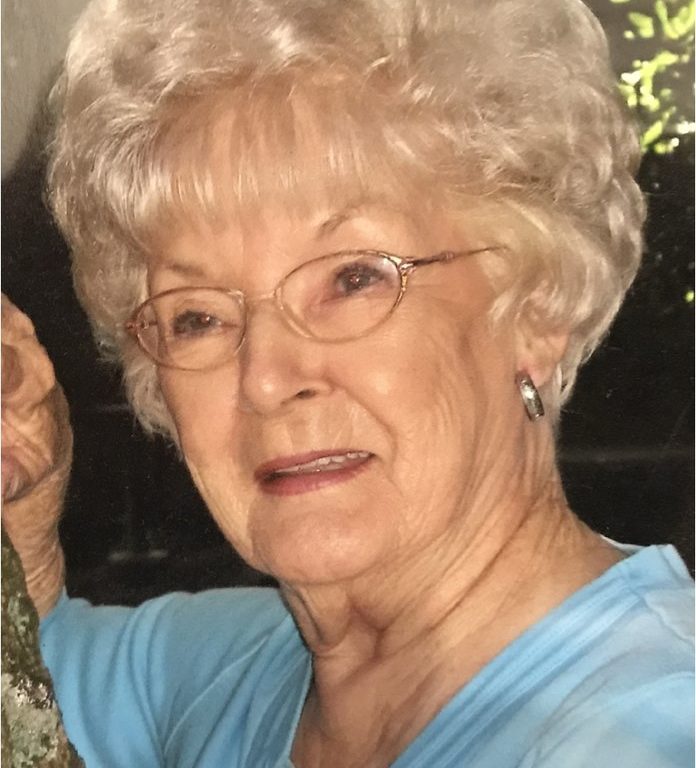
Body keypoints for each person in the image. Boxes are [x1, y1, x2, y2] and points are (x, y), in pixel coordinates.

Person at [2, 0, 693, 766]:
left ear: (538, 307)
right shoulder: (235, 672)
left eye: (352, 278)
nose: (267, 379)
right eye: (197, 317)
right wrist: (27, 510)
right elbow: (27, 680)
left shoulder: (653, 727)